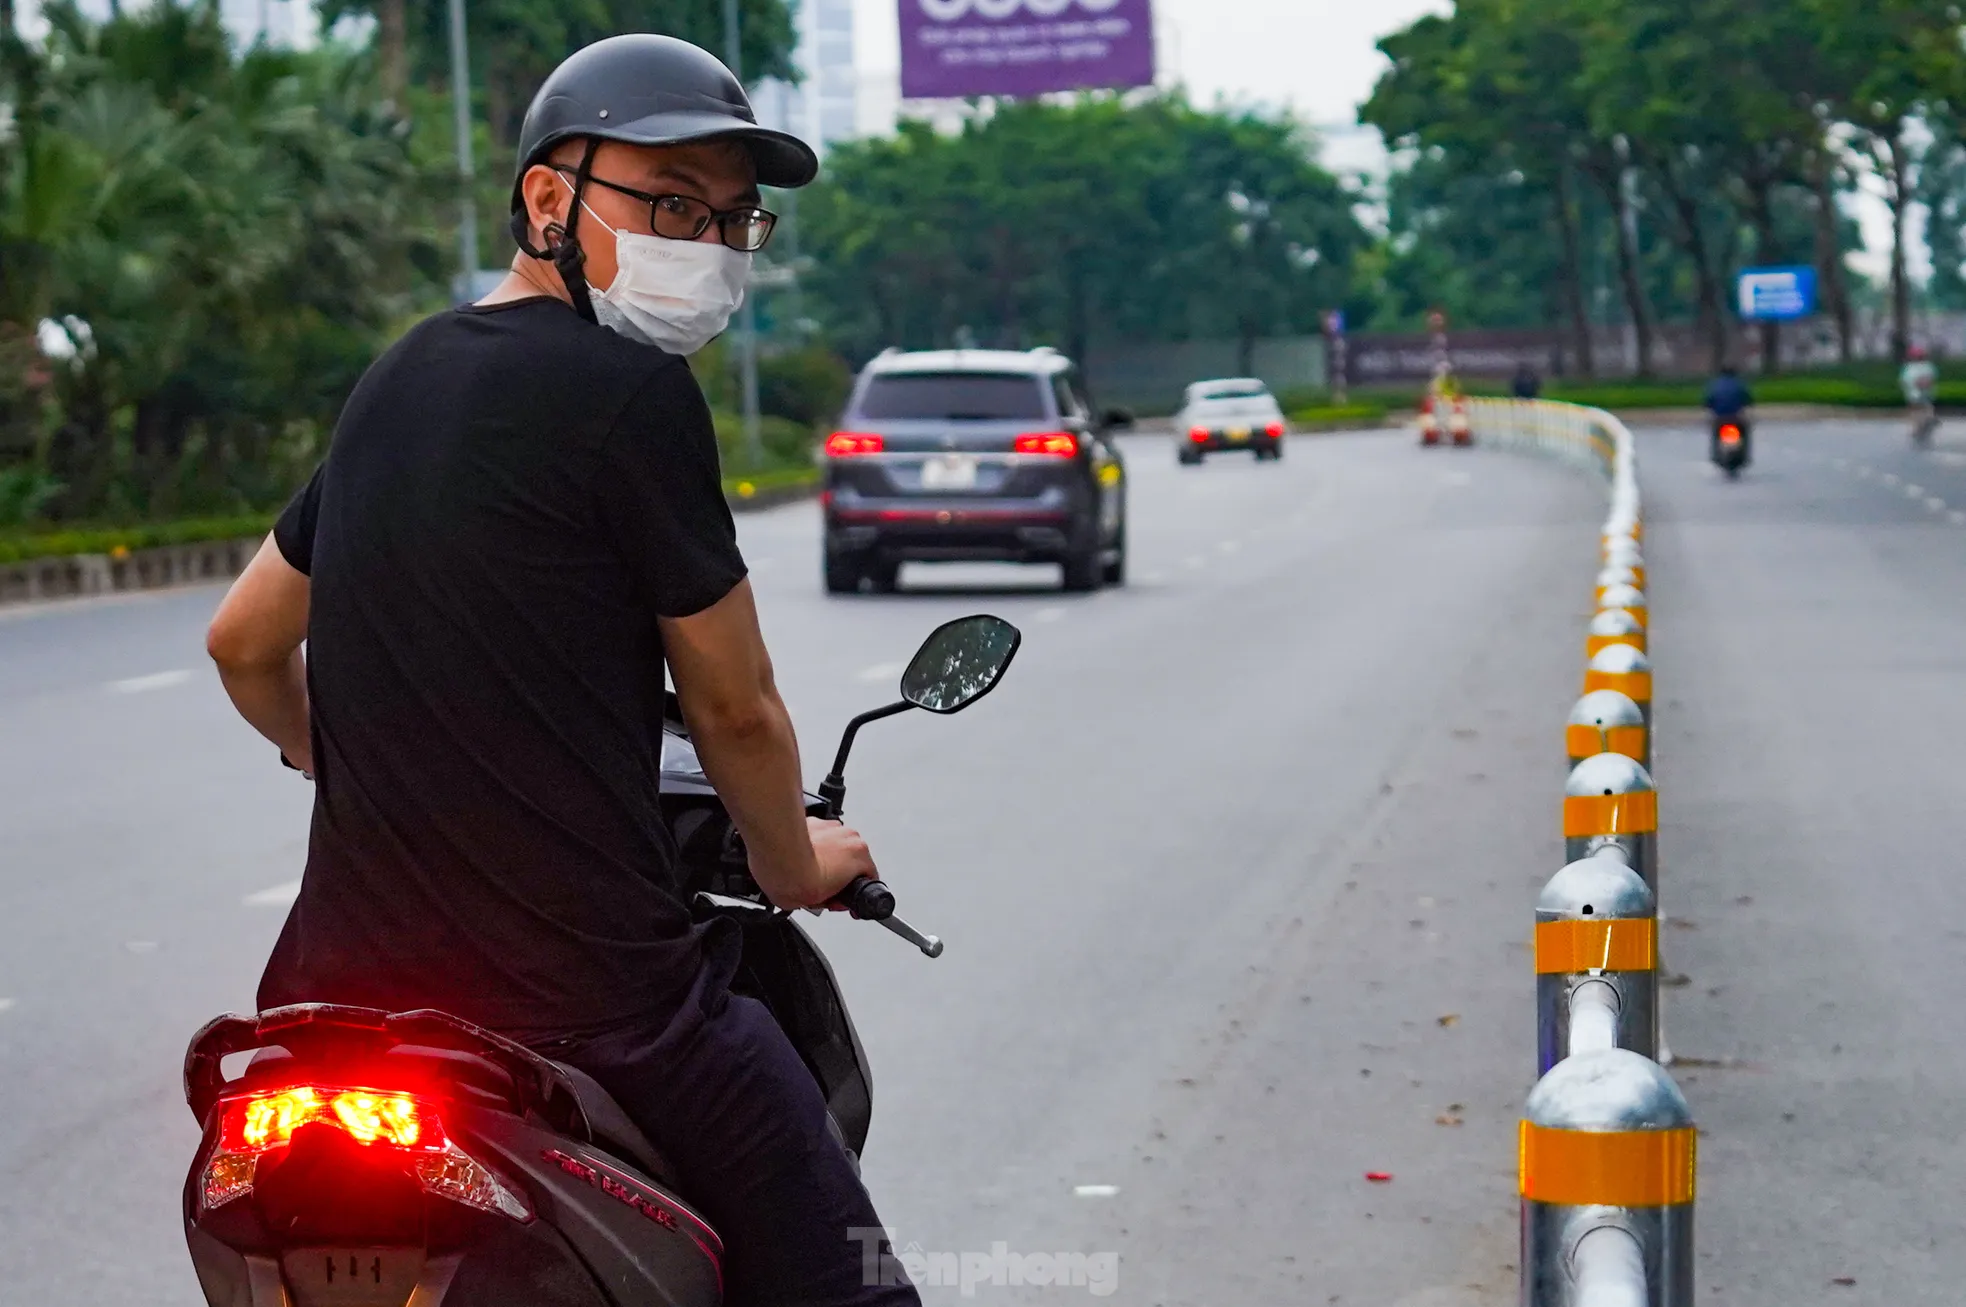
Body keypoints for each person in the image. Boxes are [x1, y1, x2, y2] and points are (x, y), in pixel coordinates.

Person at [203, 34, 919, 1307]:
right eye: (668, 202)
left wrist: (349, 754)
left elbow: (245, 641)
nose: (704, 241)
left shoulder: (400, 375)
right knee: (849, 1287)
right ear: (548, 198)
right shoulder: (629, 393)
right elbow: (734, 705)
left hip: (327, 1008)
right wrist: (792, 861)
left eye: (727, 217)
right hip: (588, 1002)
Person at [1703, 363, 1754, 463]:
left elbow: (1707, 402)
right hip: (1736, 419)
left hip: (1720, 420)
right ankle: (1745, 456)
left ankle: (1715, 455)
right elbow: (1748, 400)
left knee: (1715, 434)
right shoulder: (1739, 384)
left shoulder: (1714, 385)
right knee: (1745, 433)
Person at [1901, 344, 1939, 445]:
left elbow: (1905, 381)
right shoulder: (1912, 367)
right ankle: (1920, 429)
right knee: (1920, 413)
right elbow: (1907, 381)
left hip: (1919, 396)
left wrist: (1922, 383)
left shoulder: (1924, 366)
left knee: (1921, 412)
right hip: (1918, 396)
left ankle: (1921, 429)